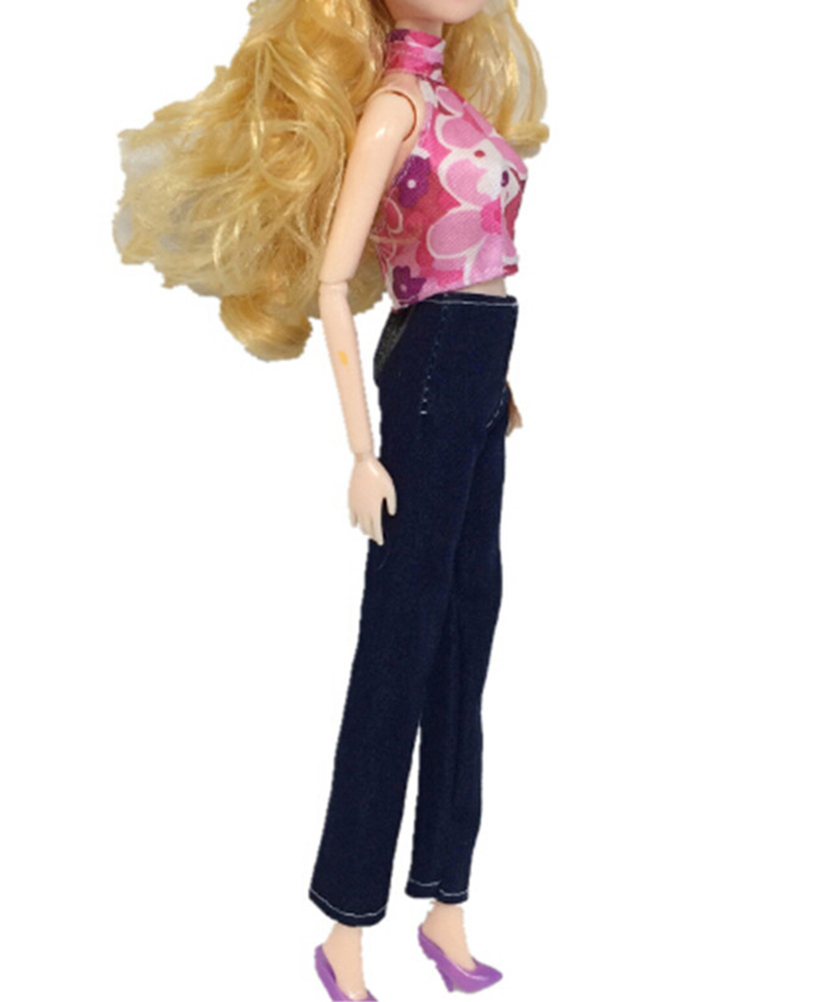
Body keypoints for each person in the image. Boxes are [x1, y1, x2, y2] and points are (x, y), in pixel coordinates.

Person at [113, 2, 548, 997]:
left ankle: (445, 903)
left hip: (478, 373)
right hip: (432, 370)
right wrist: (362, 449)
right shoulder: (395, 108)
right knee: (401, 639)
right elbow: (333, 281)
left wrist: (491, 392)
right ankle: (346, 927)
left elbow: (473, 256)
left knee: (468, 628)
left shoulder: (453, 101)